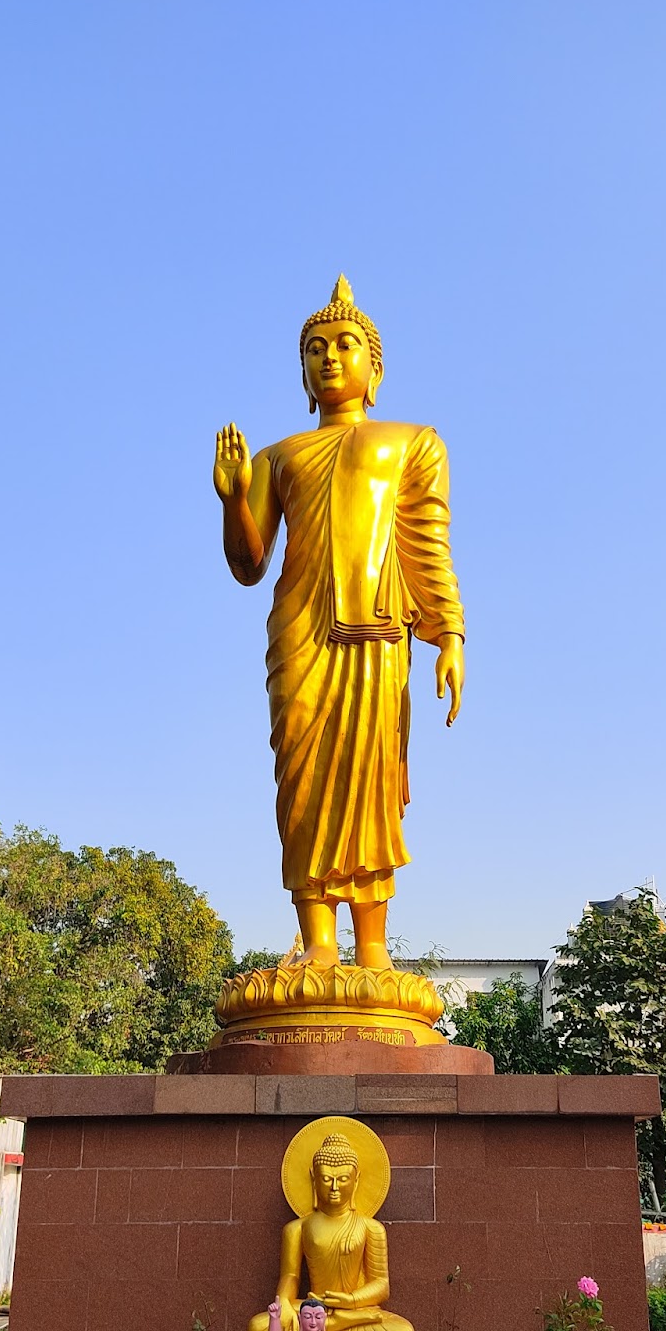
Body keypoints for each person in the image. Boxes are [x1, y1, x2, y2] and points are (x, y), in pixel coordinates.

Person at [214, 276, 465, 970]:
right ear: (302, 373)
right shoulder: (276, 457)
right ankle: (319, 942)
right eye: (315, 349)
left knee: (372, 783)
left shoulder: (413, 443)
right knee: (302, 784)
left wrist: (449, 634)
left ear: (374, 368)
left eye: (345, 344)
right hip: (299, 635)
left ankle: (373, 947)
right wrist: (234, 500)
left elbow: (426, 544)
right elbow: (248, 565)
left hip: (376, 634)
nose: (329, 357)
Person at [246, 1132, 414, 1331]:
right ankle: (334, 1327)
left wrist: (350, 1301)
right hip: (314, 1309)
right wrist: (283, 1302)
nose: (334, 1187)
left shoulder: (371, 1228)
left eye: (343, 1179)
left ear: (356, 1179)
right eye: (326, 1179)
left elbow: (381, 1285)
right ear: (313, 1178)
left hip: (355, 1309)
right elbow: (291, 1276)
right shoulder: (297, 1228)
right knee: (258, 1328)